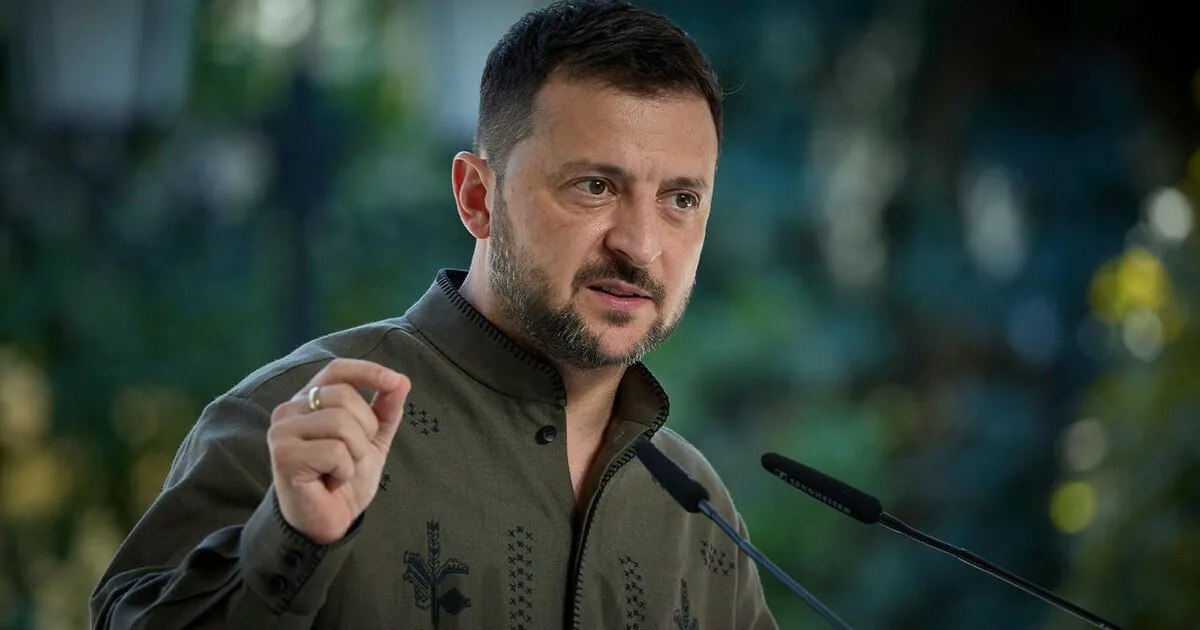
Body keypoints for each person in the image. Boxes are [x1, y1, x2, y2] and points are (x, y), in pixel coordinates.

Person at [91, 1, 777, 627]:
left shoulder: (701, 512)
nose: (641, 244)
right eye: (594, 186)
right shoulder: (294, 422)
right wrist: (290, 543)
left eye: (681, 200)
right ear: (477, 198)